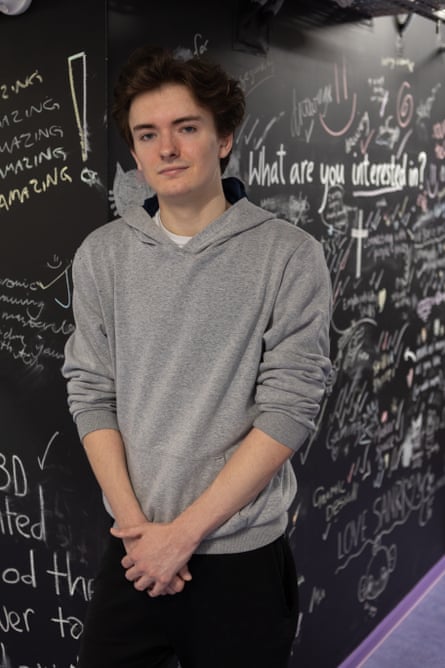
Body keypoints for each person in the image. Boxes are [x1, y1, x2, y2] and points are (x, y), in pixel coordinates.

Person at [62, 45, 332, 668]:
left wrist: (181, 537)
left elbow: (290, 407)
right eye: (147, 134)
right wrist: (138, 533)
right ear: (133, 150)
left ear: (225, 136)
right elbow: (90, 391)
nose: (168, 149)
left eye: (187, 128)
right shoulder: (103, 254)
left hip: (240, 556)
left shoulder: (288, 256)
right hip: (132, 549)